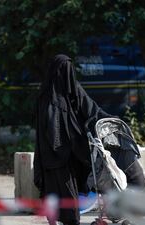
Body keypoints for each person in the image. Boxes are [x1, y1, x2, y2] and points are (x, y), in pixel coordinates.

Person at [34, 54, 112, 225]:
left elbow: (92, 110)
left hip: (70, 153)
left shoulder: (74, 90)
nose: (68, 75)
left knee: (69, 191)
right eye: (65, 71)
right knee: (56, 191)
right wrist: (63, 147)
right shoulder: (47, 98)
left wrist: (111, 121)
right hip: (54, 156)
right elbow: (51, 132)